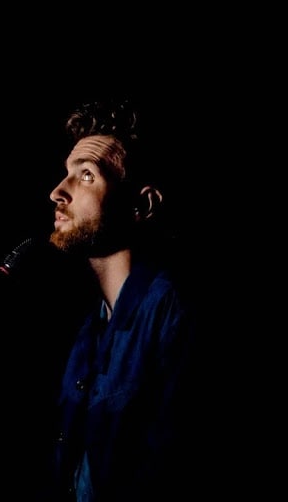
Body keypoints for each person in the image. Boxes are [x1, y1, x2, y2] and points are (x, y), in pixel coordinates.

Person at [43, 99, 197, 501]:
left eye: (87, 176)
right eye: (66, 175)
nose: (58, 192)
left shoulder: (173, 311)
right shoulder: (88, 333)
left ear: (142, 205)